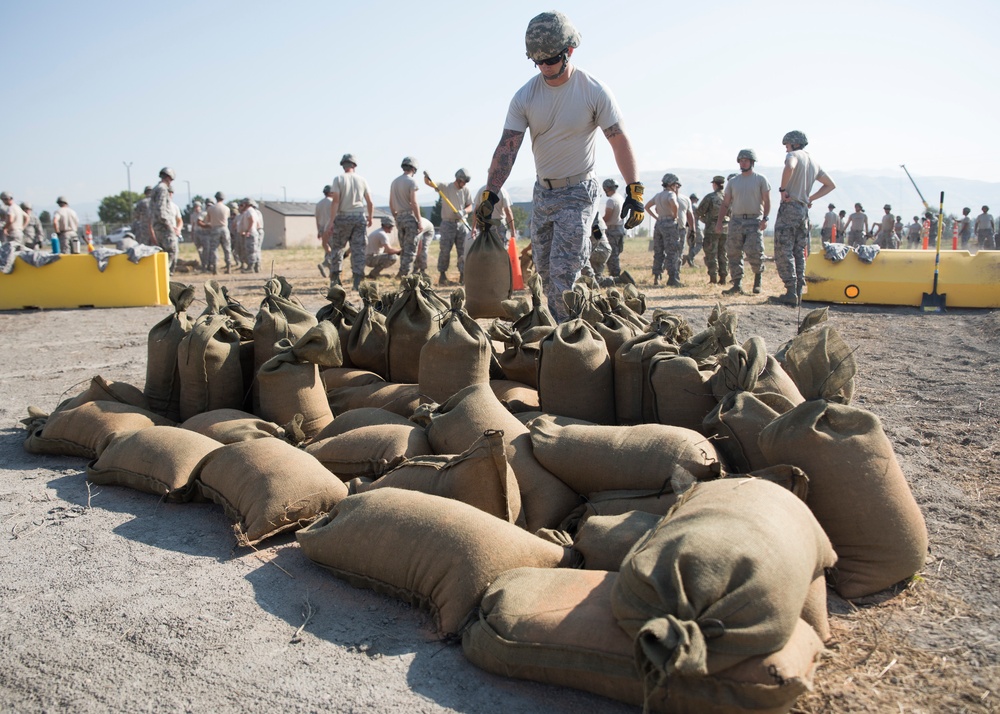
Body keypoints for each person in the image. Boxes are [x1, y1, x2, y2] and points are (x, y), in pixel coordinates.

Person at [477, 11, 644, 321]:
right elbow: (508, 147)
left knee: (561, 276)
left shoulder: (593, 91)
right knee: (542, 271)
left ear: (569, 51)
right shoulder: (525, 96)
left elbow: (618, 139)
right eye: (537, 62)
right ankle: (586, 311)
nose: (544, 67)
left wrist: (635, 189)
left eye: (550, 60)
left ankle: (564, 346)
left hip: (579, 191)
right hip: (543, 194)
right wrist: (491, 192)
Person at [773, 130, 835, 304]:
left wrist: (783, 189)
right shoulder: (814, 162)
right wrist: (810, 198)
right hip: (803, 210)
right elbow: (830, 185)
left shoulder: (793, 156)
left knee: (783, 248)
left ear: (793, 143)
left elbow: (790, 166)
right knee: (799, 250)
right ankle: (799, 290)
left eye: (787, 145)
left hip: (790, 207)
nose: (786, 149)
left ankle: (790, 290)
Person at [715, 149, 770, 295]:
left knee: (755, 251)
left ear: (752, 162)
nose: (743, 162)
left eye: (746, 160)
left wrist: (765, 218)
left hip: (754, 220)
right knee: (733, 252)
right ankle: (737, 284)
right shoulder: (733, 182)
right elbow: (725, 203)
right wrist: (719, 222)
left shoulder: (760, 179)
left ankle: (757, 280)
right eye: (741, 160)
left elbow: (767, 200)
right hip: (736, 220)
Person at [323, 153, 374, 290]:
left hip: (342, 217)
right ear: (354, 165)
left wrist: (331, 222)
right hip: (359, 217)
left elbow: (335, 201)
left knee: (338, 249)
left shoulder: (338, 179)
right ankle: (357, 283)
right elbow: (370, 202)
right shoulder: (362, 180)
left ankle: (335, 281)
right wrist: (370, 217)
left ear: (343, 165)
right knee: (358, 250)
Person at [429, 168, 473, 285]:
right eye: (463, 182)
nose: (464, 184)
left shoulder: (466, 190)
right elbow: (430, 183)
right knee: (445, 250)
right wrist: (427, 177)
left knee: (463, 251)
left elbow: (470, 206)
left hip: (461, 223)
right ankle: (442, 275)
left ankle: (463, 275)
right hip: (447, 224)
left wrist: (464, 211)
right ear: (458, 179)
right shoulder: (446, 187)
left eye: (466, 182)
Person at [644, 173, 683, 287]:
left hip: (659, 223)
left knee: (658, 251)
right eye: (675, 185)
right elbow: (674, 204)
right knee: (672, 251)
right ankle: (672, 278)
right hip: (669, 223)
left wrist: (656, 217)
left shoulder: (658, 195)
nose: (676, 187)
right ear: (671, 184)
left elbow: (647, 206)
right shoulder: (671, 194)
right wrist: (675, 216)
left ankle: (657, 276)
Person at [389, 156, 423, 279]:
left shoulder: (395, 182)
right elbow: (414, 202)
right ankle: (405, 275)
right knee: (410, 248)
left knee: (404, 247)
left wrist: (395, 215)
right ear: (414, 168)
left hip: (399, 218)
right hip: (409, 217)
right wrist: (419, 220)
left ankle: (402, 271)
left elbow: (391, 202)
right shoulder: (412, 182)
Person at [696, 176, 729, 285]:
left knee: (711, 254)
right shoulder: (728, 197)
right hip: (726, 229)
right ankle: (723, 277)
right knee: (723, 253)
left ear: (715, 184)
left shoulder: (710, 197)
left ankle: (713, 278)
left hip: (712, 229)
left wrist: (705, 220)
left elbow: (699, 212)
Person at [149, 167, 178, 272]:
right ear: (168, 177)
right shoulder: (162, 188)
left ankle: (163, 276)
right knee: (171, 251)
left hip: (157, 226)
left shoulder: (156, 188)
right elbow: (161, 209)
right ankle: (167, 276)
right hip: (164, 227)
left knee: (163, 253)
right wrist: (168, 224)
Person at [199, 194, 231, 274]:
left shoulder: (210, 209)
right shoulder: (226, 208)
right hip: (224, 228)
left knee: (214, 249)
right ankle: (228, 267)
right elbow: (227, 218)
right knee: (227, 248)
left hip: (214, 229)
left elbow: (208, 220)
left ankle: (215, 268)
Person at [601, 178, 625, 277]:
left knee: (612, 254)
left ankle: (615, 275)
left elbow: (607, 217)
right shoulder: (620, 198)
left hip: (612, 230)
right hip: (620, 228)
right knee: (616, 253)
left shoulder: (611, 200)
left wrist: (599, 222)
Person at [315, 184, 334, 277]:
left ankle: (331, 272)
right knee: (333, 250)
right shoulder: (332, 203)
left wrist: (319, 231)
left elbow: (317, 219)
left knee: (327, 249)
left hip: (322, 228)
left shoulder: (319, 204)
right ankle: (325, 264)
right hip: (331, 228)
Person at [684, 192, 703, 267]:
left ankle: (691, 262)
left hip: (688, 227)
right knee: (700, 242)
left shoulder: (687, 206)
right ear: (695, 199)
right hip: (696, 227)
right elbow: (701, 215)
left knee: (691, 245)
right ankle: (690, 256)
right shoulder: (695, 207)